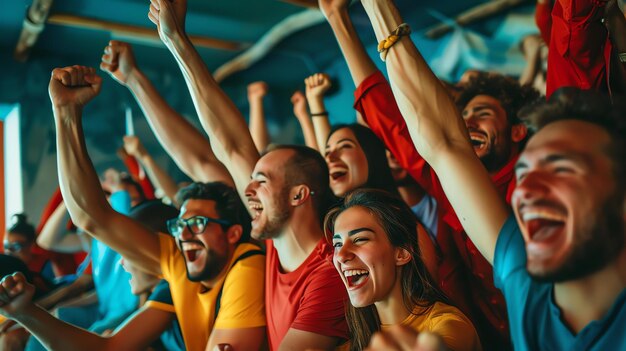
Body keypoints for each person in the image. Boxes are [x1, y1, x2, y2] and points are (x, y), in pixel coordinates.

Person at [354, 0, 626, 347]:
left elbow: (575, 51)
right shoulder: (525, 279)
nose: (526, 191)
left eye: (562, 169)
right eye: (524, 174)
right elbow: (443, 142)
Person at [319, 0, 539, 347]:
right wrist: (337, 17)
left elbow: (446, 140)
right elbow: (394, 120)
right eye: (462, 113)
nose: (468, 123)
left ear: (518, 130)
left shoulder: (539, 188)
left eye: (482, 113)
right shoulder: (447, 182)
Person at [147, 0, 349, 348]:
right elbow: (230, 144)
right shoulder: (275, 244)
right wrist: (176, 42)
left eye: (262, 181)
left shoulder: (330, 273)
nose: (248, 189)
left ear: (299, 195)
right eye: (252, 178)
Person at [48, 64, 266, 350]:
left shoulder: (248, 263)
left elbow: (218, 153)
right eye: (180, 226)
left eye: (197, 224)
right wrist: (65, 114)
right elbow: (91, 218)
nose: (184, 235)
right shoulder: (180, 266)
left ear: (234, 233)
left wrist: (167, 48)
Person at [0, 201, 187, 351]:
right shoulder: (164, 293)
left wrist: (26, 312)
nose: (121, 263)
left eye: (127, 253)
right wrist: (24, 312)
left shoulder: (174, 287)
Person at [326, 189, 481, 351]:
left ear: (401, 253)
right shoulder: (349, 346)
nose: (341, 255)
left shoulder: (449, 325)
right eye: (338, 244)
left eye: (359, 239)